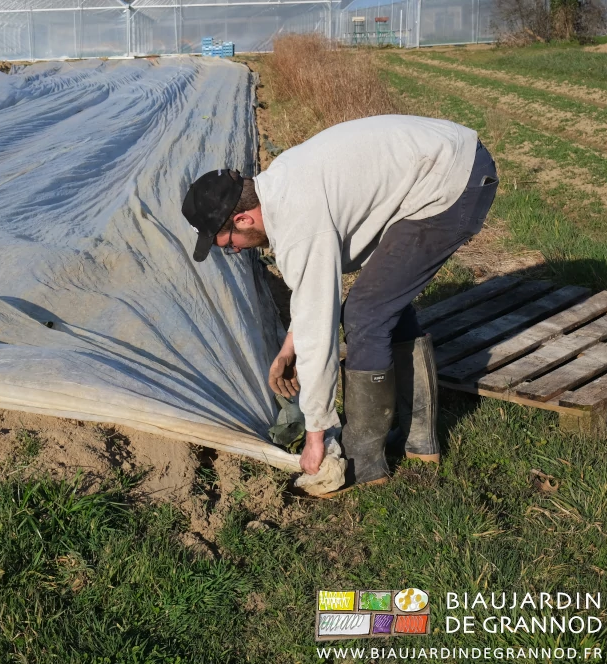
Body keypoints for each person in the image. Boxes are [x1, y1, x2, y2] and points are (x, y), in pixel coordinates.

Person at [182, 115, 498, 488]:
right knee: (381, 303)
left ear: (244, 218)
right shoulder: (280, 192)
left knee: (367, 313)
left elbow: (319, 326)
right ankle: (420, 443)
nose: (233, 250)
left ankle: (363, 464)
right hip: (438, 164)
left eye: (228, 243)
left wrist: (316, 435)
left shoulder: (299, 219)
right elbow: (313, 295)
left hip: (451, 180)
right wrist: (288, 350)